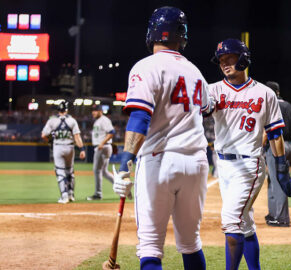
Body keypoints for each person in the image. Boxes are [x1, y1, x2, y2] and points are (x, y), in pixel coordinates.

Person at [111, 7, 213, 270]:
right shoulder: (196, 72)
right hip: (197, 163)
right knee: (191, 244)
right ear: (183, 36)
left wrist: (125, 163)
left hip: (160, 160)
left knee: (151, 248)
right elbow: (207, 109)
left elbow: (140, 119)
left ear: (151, 33)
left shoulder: (145, 66)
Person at [209, 38, 291, 270]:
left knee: (230, 221)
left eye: (230, 58)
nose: (224, 64)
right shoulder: (213, 90)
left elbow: (275, 133)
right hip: (223, 166)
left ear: (243, 59)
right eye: (221, 61)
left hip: (249, 165)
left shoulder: (265, 93)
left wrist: (281, 167)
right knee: (244, 224)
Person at [263, 81, 291, 227]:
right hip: (288, 145)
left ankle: (281, 218)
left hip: (275, 145)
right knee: (273, 180)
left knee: (276, 182)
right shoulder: (289, 106)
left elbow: (267, 129)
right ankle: (273, 214)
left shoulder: (270, 105)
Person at [41, 101, 85, 204]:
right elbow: (77, 137)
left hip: (58, 147)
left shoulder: (52, 121)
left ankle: (64, 196)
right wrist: (82, 149)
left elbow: (43, 135)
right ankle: (71, 195)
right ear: (67, 110)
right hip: (70, 147)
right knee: (70, 171)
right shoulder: (72, 121)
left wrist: (50, 141)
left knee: (60, 172)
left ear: (58, 110)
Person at [87, 104, 115, 200]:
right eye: (92, 110)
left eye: (95, 110)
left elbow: (111, 132)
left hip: (102, 147)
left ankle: (98, 194)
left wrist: (102, 143)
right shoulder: (98, 121)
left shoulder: (104, 120)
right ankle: (122, 187)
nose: (93, 112)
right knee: (104, 172)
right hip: (103, 147)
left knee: (97, 170)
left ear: (100, 111)